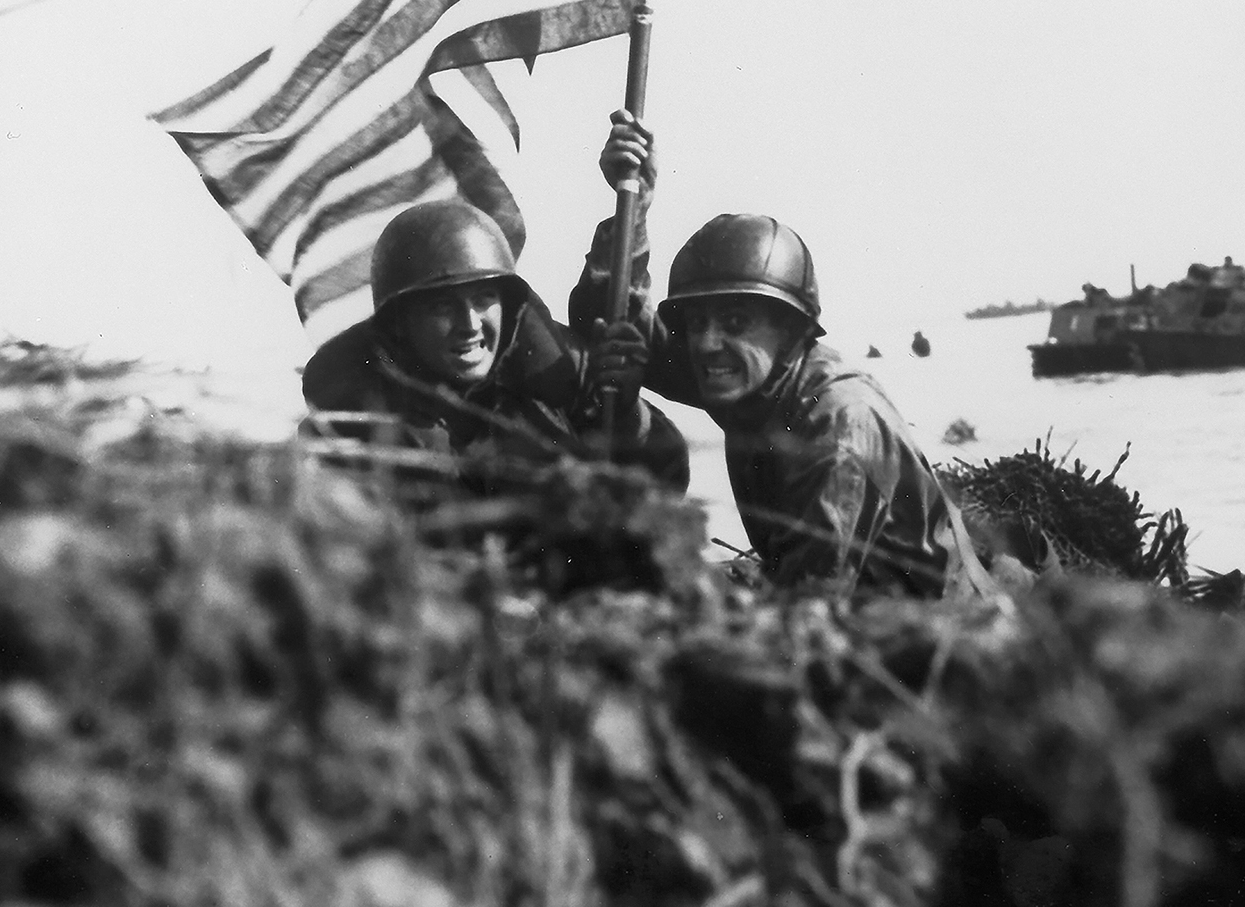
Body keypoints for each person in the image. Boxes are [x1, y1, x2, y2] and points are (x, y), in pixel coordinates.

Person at [573, 111, 960, 596]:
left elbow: (809, 606)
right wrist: (632, 208)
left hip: (937, 635)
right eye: (696, 324)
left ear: (790, 332)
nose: (709, 343)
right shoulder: (749, 378)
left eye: (736, 323)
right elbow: (604, 324)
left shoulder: (839, 424)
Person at [303, 196, 690, 491]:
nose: (470, 324)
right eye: (442, 306)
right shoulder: (349, 430)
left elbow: (664, 485)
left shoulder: (554, 395)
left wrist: (624, 415)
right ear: (401, 324)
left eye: (484, 299)